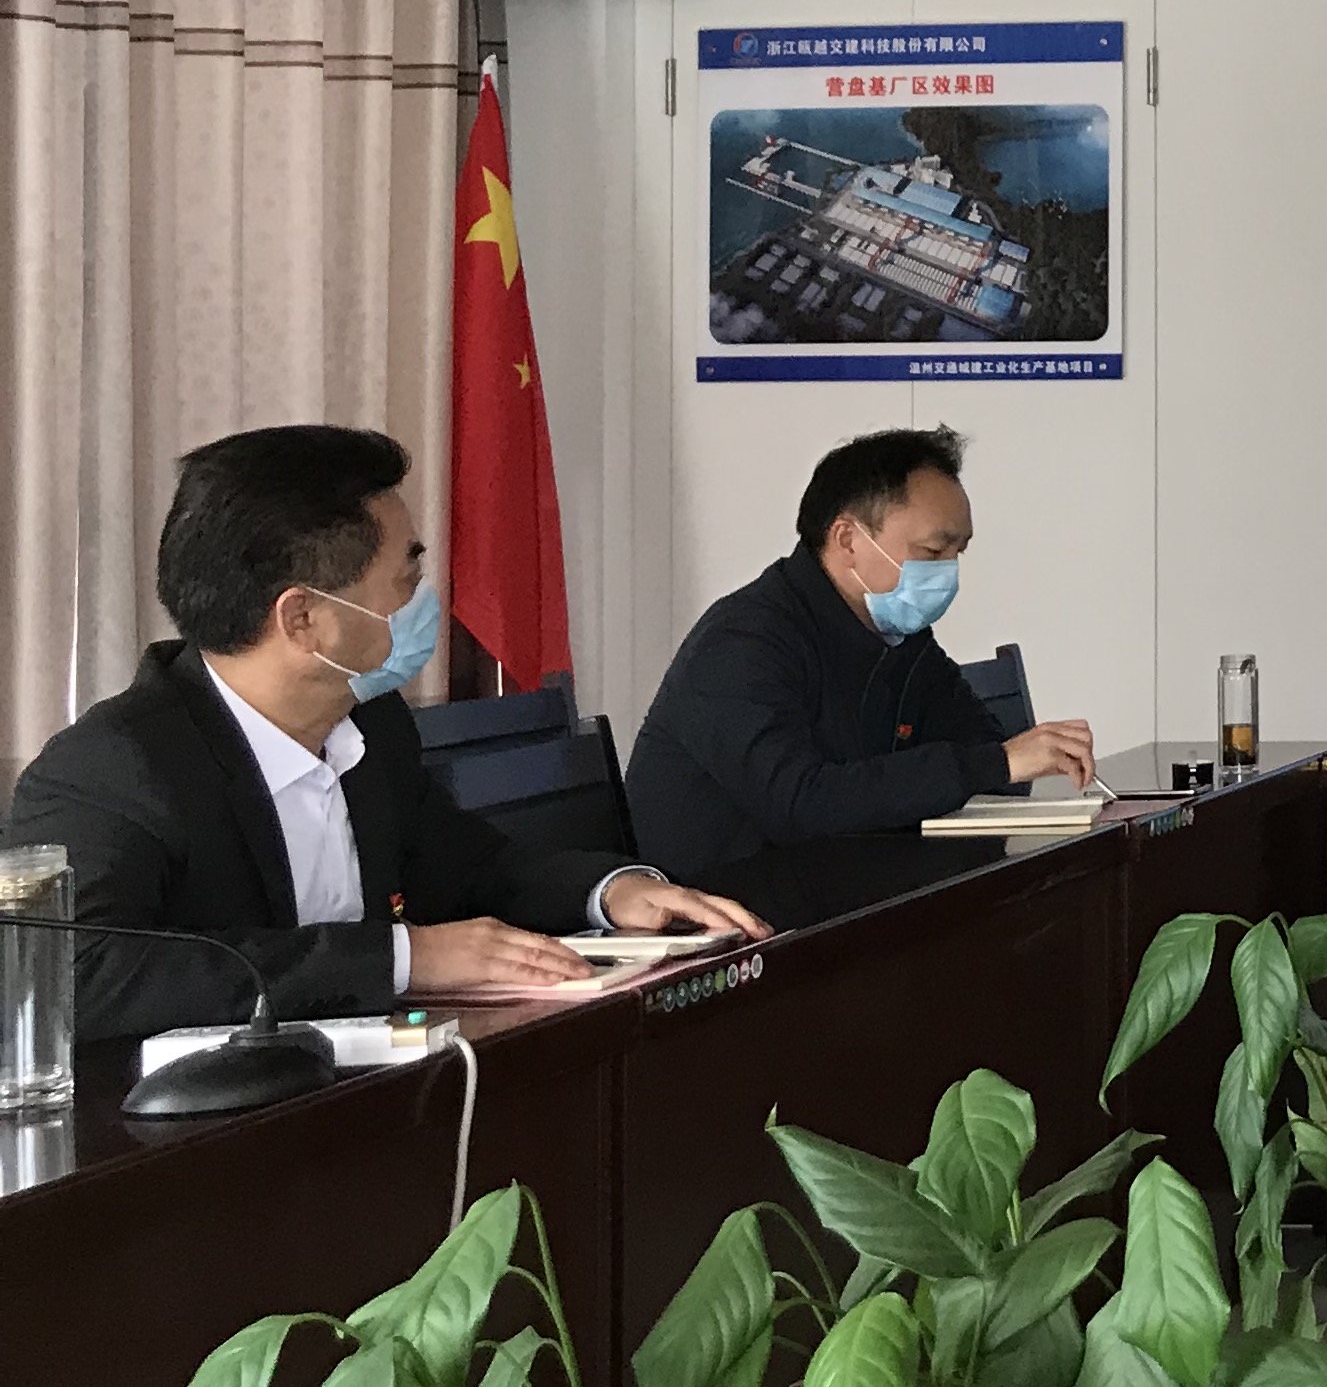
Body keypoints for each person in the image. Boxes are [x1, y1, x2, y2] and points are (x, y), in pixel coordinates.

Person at [2, 425, 765, 1040]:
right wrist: (400, 958)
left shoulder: (371, 725)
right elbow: (72, 977)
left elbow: (472, 868)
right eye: (405, 580)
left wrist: (612, 892)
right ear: (304, 619)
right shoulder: (115, 768)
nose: (422, 601)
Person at [624, 425, 1094, 886]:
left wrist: (1001, 760)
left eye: (959, 552)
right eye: (933, 550)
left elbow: (978, 743)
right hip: (731, 913)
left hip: (855, 886)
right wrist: (996, 762)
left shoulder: (899, 635)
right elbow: (799, 802)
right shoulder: (743, 641)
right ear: (848, 539)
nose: (948, 572)